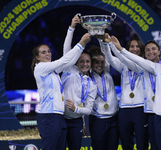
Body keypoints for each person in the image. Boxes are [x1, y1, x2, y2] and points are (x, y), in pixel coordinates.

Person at [31, 32, 91, 149]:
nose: (48, 54)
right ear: (37, 57)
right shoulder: (40, 68)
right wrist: (81, 43)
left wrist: (82, 46)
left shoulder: (53, 71)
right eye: (43, 52)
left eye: (49, 51)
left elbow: (68, 62)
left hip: (59, 116)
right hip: (48, 116)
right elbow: (63, 60)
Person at [98, 34, 148, 150]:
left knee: (142, 142)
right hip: (124, 110)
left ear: (141, 48)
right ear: (128, 48)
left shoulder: (144, 64)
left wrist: (114, 45)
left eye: (137, 46)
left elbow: (122, 58)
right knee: (126, 143)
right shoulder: (123, 65)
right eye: (131, 46)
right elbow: (109, 58)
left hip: (140, 108)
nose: (134, 49)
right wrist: (105, 44)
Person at [60, 15, 97, 150]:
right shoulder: (69, 68)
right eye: (82, 61)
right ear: (76, 62)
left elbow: (88, 109)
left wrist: (77, 111)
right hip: (61, 118)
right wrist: (72, 27)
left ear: (91, 64)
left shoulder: (92, 84)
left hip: (76, 122)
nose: (85, 64)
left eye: (87, 61)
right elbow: (66, 48)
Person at [87, 45, 119, 150]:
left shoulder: (107, 71)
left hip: (114, 119)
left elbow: (106, 52)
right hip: (97, 120)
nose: (100, 65)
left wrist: (102, 39)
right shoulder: (87, 79)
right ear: (91, 63)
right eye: (96, 62)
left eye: (102, 62)